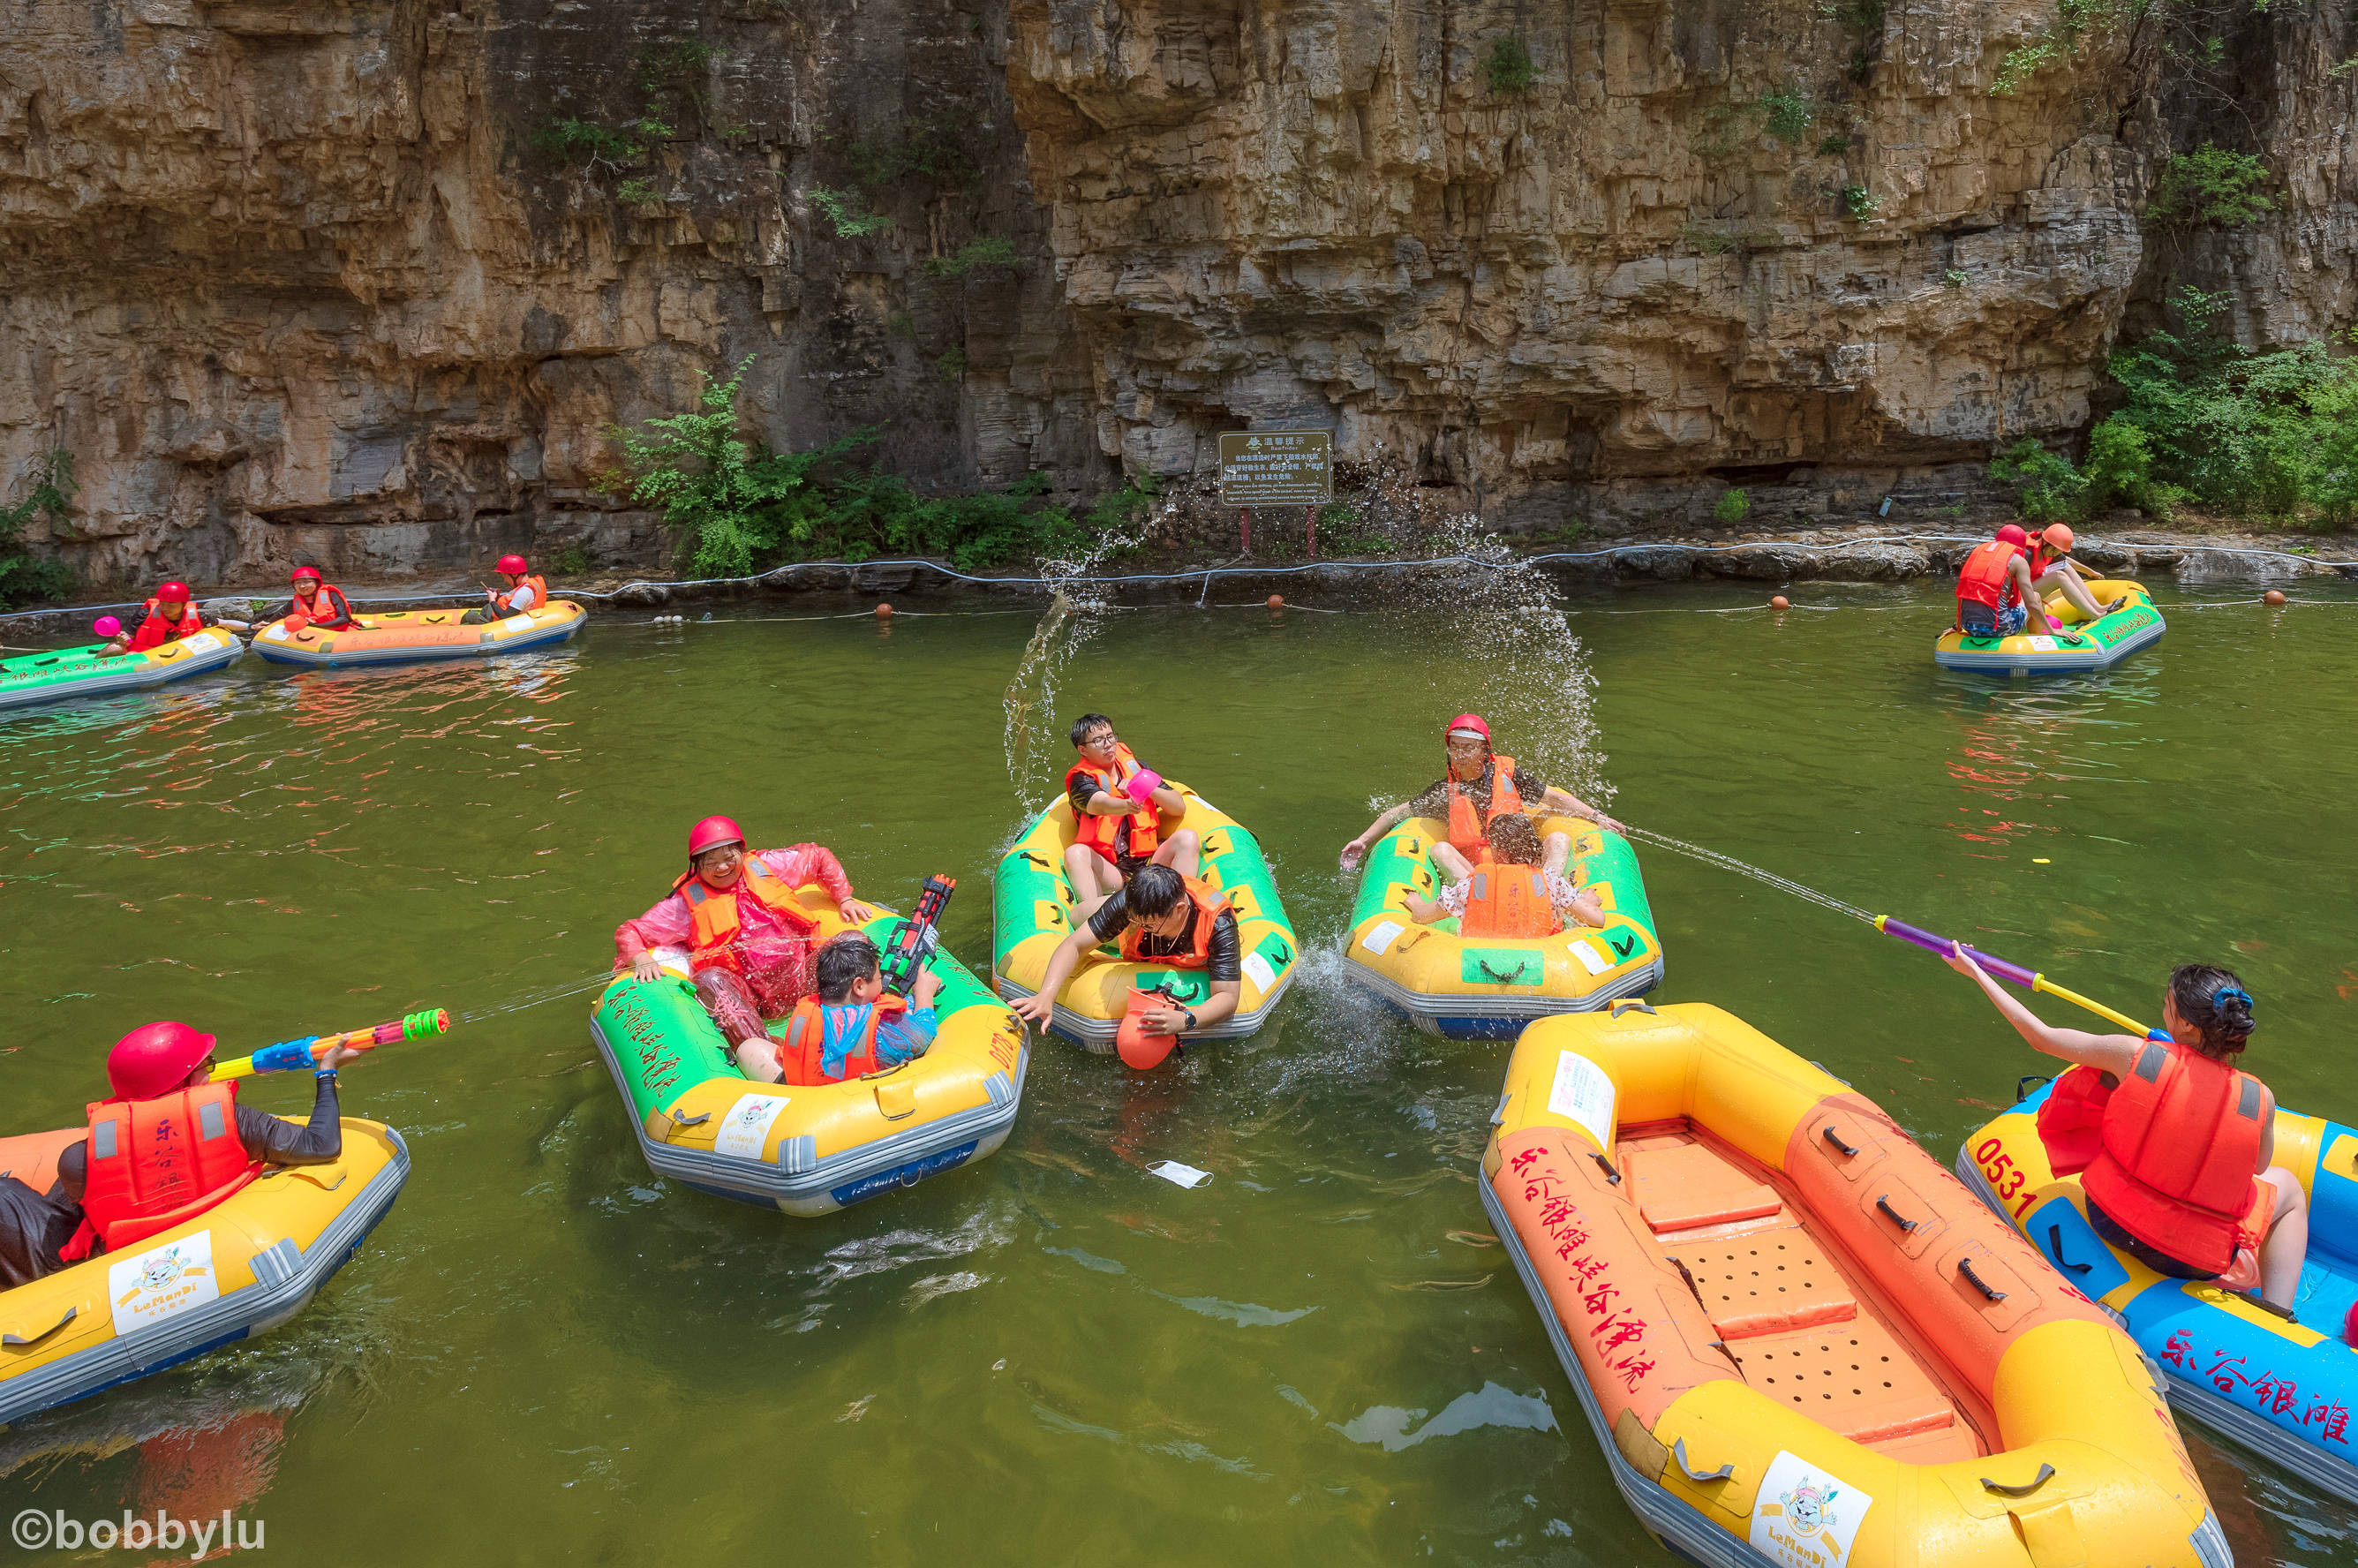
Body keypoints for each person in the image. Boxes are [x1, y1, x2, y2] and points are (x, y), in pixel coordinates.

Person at [1947, 949, 2309, 1313]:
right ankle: (2278, 1309)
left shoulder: (2133, 1055)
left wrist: (1976, 972)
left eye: (2168, 1003)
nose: (2163, 1008)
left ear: (2186, 1026)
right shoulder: (2260, 1098)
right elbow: (2259, 1167)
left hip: (2111, 1221)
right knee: (2289, 1189)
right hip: (2195, 1261)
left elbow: (2041, 1036)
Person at [0, 1021, 358, 1288]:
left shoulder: (83, 1156)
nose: (211, 1071)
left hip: (93, 1263)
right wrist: (326, 1072)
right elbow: (320, 1145)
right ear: (185, 1082)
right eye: (207, 1065)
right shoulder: (234, 1120)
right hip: (195, 1252)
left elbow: (77, 1211)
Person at [613, 818, 877, 1055]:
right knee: (709, 979)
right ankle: (765, 1052)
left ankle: (860, 1021)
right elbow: (631, 930)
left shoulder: (767, 866)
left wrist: (844, 897)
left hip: (802, 977)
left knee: (852, 941)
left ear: (741, 851)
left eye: (729, 857)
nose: (723, 867)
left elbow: (817, 857)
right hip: (751, 1000)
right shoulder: (684, 904)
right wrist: (639, 958)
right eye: (711, 863)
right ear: (696, 867)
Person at [1339, 713, 1625, 891]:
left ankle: (1549, 889)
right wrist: (1363, 841)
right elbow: (1399, 812)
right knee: (1439, 848)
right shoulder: (1445, 793)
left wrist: (1596, 817)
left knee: (1561, 838)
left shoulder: (1509, 775)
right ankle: (1472, 898)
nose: (1460, 755)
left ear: (1484, 750)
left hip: (1521, 862)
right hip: (1475, 874)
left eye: (1468, 748)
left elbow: (1553, 797)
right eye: (1455, 748)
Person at [1009, 863, 1241, 1043]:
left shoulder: (1218, 923)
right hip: (1130, 921)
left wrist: (1187, 1019)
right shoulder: (1132, 905)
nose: (1142, 929)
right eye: (1136, 922)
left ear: (1179, 911)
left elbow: (1228, 997)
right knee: (1077, 915)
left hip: (1190, 949)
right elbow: (1074, 945)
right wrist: (1046, 996)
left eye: (1149, 926)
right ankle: (1095, 900)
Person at [739, 932, 941, 1086]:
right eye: (879, 978)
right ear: (859, 986)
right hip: (852, 1102)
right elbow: (924, 1035)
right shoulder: (883, 1028)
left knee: (749, 1048)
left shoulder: (806, 1012)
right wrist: (923, 994)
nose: (881, 985)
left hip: (803, 1091)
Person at [1062, 713, 1200, 919]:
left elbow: (1178, 807)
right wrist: (1126, 805)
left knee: (1187, 838)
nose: (1108, 744)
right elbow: (1098, 803)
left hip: (1151, 863)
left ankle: (1181, 910)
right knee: (1075, 853)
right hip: (1114, 872)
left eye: (1110, 737)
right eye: (1098, 740)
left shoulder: (1136, 767)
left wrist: (1145, 788)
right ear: (1083, 750)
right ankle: (1096, 919)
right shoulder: (1081, 780)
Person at [1400, 811, 1605, 933]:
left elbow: (1422, 916)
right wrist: (1589, 901)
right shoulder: (1551, 883)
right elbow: (1598, 920)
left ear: (1502, 854)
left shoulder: (1471, 886)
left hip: (1478, 956)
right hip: (1542, 954)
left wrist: (1415, 901)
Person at [1954, 523, 2120, 637]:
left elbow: (1966, 592)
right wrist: (2052, 631)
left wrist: (2090, 572)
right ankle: (2042, 635)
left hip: (1971, 624)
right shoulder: (2023, 555)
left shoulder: (1981, 554)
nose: (2056, 554)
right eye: (2055, 550)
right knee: (2043, 592)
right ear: (2046, 542)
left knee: (2064, 568)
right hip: (2007, 616)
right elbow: (2030, 602)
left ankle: (2097, 609)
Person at [98, 581, 248, 658]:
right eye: (162, 603)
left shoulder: (196, 617)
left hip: (176, 655)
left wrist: (251, 626)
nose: (165, 607)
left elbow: (226, 623)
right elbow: (129, 636)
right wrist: (124, 638)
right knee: (115, 648)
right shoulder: (144, 614)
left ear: (183, 604)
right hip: (142, 652)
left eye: (171, 604)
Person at [461, 554, 548, 625]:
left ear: (514, 575)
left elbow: (505, 617)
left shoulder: (524, 593)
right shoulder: (531, 584)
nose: (505, 580)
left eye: (504, 576)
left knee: (469, 615)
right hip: (497, 615)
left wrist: (492, 600)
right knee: (487, 609)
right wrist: (497, 597)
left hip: (498, 624)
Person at [272, 565, 358, 631]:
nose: (302, 586)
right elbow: (277, 616)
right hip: (315, 638)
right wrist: (264, 623)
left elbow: (344, 618)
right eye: (298, 583)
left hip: (340, 633)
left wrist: (316, 626)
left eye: (307, 582)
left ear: (316, 583)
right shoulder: (294, 603)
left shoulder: (331, 595)